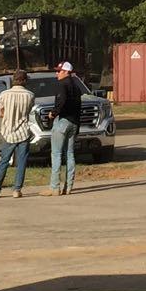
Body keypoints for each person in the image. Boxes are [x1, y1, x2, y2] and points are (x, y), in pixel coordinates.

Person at [0, 73, 35, 198]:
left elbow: (1, 113)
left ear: (13, 80)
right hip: (24, 131)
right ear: (25, 81)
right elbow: (28, 111)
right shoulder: (30, 95)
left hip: (8, 132)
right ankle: (17, 189)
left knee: (4, 161)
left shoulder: (4, 94)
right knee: (21, 162)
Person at [48, 61, 89, 195]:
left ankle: (55, 187)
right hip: (74, 122)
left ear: (66, 72)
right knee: (70, 154)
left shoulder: (62, 84)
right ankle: (69, 185)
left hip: (63, 122)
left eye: (59, 71)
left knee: (56, 154)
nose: (57, 73)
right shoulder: (76, 87)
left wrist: (53, 113)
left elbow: (62, 100)